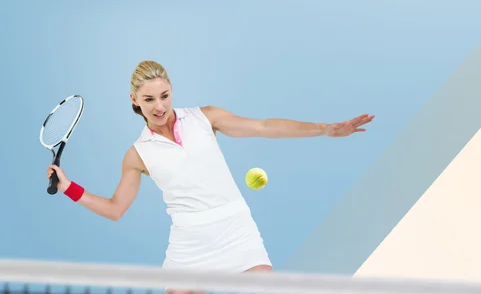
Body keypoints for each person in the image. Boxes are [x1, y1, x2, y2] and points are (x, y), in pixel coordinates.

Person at [47, 60, 374, 289]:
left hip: (236, 229)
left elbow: (264, 127)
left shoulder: (206, 118)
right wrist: (68, 187)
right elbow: (116, 209)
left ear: (172, 90)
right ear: (135, 101)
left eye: (164, 95)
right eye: (149, 100)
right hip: (189, 244)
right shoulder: (137, 154)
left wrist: (325, 129)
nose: (159, 106)